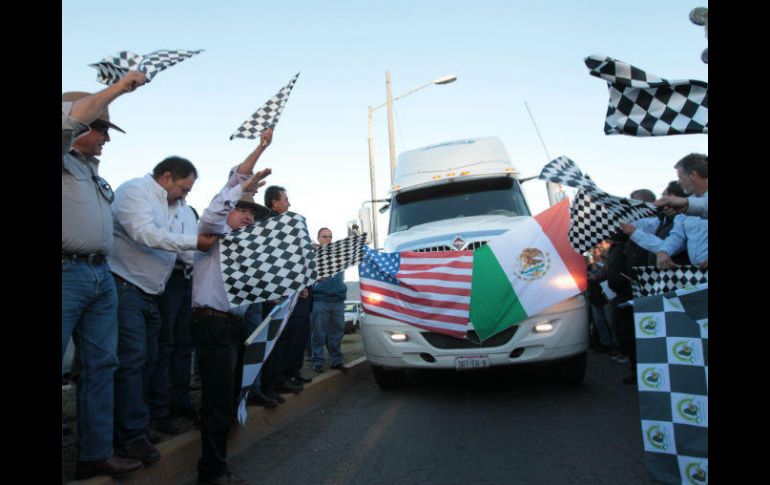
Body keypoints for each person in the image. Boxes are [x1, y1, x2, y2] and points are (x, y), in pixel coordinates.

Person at [62, 72, 148, 480]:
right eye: (101, 129)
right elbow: (69, 120)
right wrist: (118, 89)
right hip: (66, 273)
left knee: (102, 365)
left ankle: (95, 453)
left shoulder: (90, 171)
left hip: (99, 275)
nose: (107, 139)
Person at [110, 157, 219, 464]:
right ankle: (127, 435)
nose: (185, 195)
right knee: (131, 362)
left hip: (151, 292)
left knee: (148, 360)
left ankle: (138, 427)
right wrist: (195, 242)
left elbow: (187, 252)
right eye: (183, 188)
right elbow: (145, 233)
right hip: (125, 286)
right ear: (166, 176)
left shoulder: (180, 209)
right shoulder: (134, 192)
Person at [191, 129, 273, 485]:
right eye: (242, 209)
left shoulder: (246, 250)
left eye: (252, 213)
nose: (248, 217)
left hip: (233, 326)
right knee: (218, 400)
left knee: (228, 396)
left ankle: (217, 463)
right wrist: (260, 148)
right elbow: (221, 200)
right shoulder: (212, 230)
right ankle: (211, 472)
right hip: (211, 323)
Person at [151, 201, 201, 430]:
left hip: (187, 279)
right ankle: (159, 407)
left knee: (184, 344)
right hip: (168, 278)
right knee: (165, 344)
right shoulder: (159, 207)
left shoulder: (189, 213)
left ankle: (180, 400)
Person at [310, 228, 348, 373]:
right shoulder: (312, 256)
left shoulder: (338, 256)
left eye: (330, 237)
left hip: (338, 299)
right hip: (320, 299)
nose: (328, 239)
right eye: (324, 236)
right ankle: (317, 361)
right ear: (318, 238)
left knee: (337, 332)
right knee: (318, 332)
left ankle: (336, 361)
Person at [654, 153, 708, 219]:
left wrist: (687, 204)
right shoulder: (683, 207)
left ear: (693, 175)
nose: (678, 182)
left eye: (680, 177)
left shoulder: (687, 203)